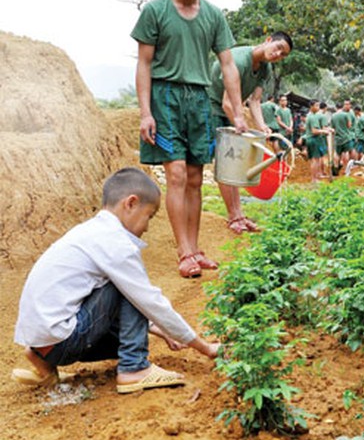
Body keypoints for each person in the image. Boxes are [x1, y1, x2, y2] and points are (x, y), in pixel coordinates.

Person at [12, 168, 221, 393]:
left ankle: (41, 361)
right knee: (128, 288)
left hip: (44, 342)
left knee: (122, 307)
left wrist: (160, 329)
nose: (148, 226)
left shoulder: (89, 232)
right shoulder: (116, 243)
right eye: (149, 216)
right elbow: (147, 300)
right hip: (64, 341)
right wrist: (205, 347)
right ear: (130, 203)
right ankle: (134, 368)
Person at [131, 0, 247, 278]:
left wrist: (239, 112)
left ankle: (195, 249)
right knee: (178, 174)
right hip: (165, 96)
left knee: (195, 177)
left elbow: (228, 64)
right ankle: (183, 252)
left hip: (199, 99)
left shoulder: (213, 15)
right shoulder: (155, 11)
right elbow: (144, 63)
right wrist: (146, 112)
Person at [207, 32, 293, 236]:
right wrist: (240, 122)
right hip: (211, 106)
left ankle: (239, 214)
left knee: (234, 163)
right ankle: (233, 216)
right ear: (268, 40)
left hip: (232, 109)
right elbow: (227, 102)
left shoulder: (265, 69)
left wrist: (262, 126)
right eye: (278, 47)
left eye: (283, 54)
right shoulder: (239, 60)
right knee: (227, 161)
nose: (278, 54)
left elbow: (254, 101)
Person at [304, 100, 333, 182]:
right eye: (316, 105)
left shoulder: (311, 115)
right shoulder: (313, 117)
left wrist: (328, 130)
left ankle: (316, 177)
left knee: (315, 160)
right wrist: (324, 131)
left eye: (318, 106)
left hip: (312, 139)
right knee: (315, 160)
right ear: (311, 106)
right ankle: (314, 178)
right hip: (313, 139)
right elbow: (314, 131)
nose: (318, 107)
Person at [331, 100, 355, 175]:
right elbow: (349, 125)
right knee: (346, 152)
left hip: (338, 138)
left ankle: (335, 166)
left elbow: (333, 127)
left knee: (337, 153)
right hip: (346, 137)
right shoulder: (345, 115)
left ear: (336, 107)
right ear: (342, 107)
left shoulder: (333, 116)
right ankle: (345, 169)